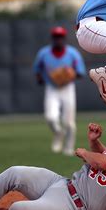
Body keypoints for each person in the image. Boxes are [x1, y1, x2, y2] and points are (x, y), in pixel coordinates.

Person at [33, 26, 86, 156]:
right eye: (56, 37)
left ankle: (68, 148)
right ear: (52, 39)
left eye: (60, 37)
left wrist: (70, 74)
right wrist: (40, 79)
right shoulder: (44, 53)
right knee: (50, 117)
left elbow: (80, 72)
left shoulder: (72, 53)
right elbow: (37, 69)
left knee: (69, 123)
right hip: (52, 88)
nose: (58, 40)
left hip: (67, 88)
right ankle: (58, 133)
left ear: (64, 38)